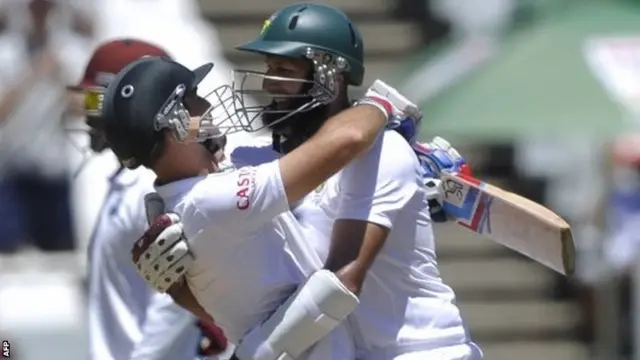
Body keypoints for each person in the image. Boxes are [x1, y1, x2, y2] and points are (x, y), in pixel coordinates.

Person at [137, 3, 481, 360]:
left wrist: (253, 354)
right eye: (269, 67)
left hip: (424, 350)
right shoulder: (252, 160)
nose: (269, 81)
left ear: (330, 77)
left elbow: (341, 282)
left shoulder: (381, 151)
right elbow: (256, 310)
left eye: (284, 68)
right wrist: (179, 283)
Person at [101, 53, 417, 359]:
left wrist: (178, 292)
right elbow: (350, 136)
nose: (208, 105)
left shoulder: (180, 205)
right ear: (176, 120)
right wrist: (380, 105)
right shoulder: (212, 200)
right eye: (195, 98)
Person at [69, 38, 228, 360]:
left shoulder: (150, 184)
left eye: (92, 98)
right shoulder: (128, 179)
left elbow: (177, 298)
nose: (85, 113)